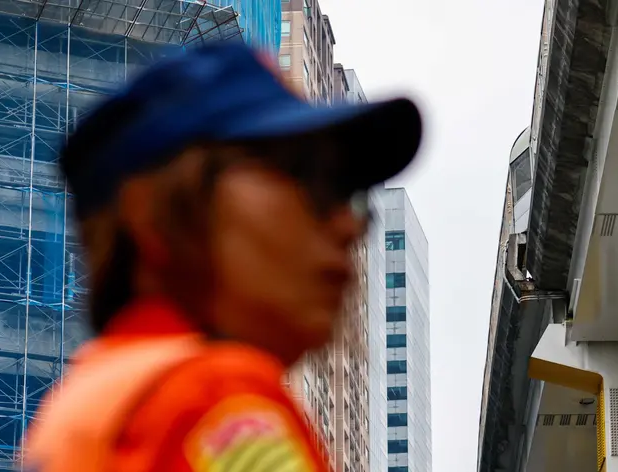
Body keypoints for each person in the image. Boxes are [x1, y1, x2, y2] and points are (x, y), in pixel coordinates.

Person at [23, 42, 422, 472]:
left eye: (353, 197)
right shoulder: (218, 402)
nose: (349, 225)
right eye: (309, 177)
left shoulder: (89, 401)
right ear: (152, 210)